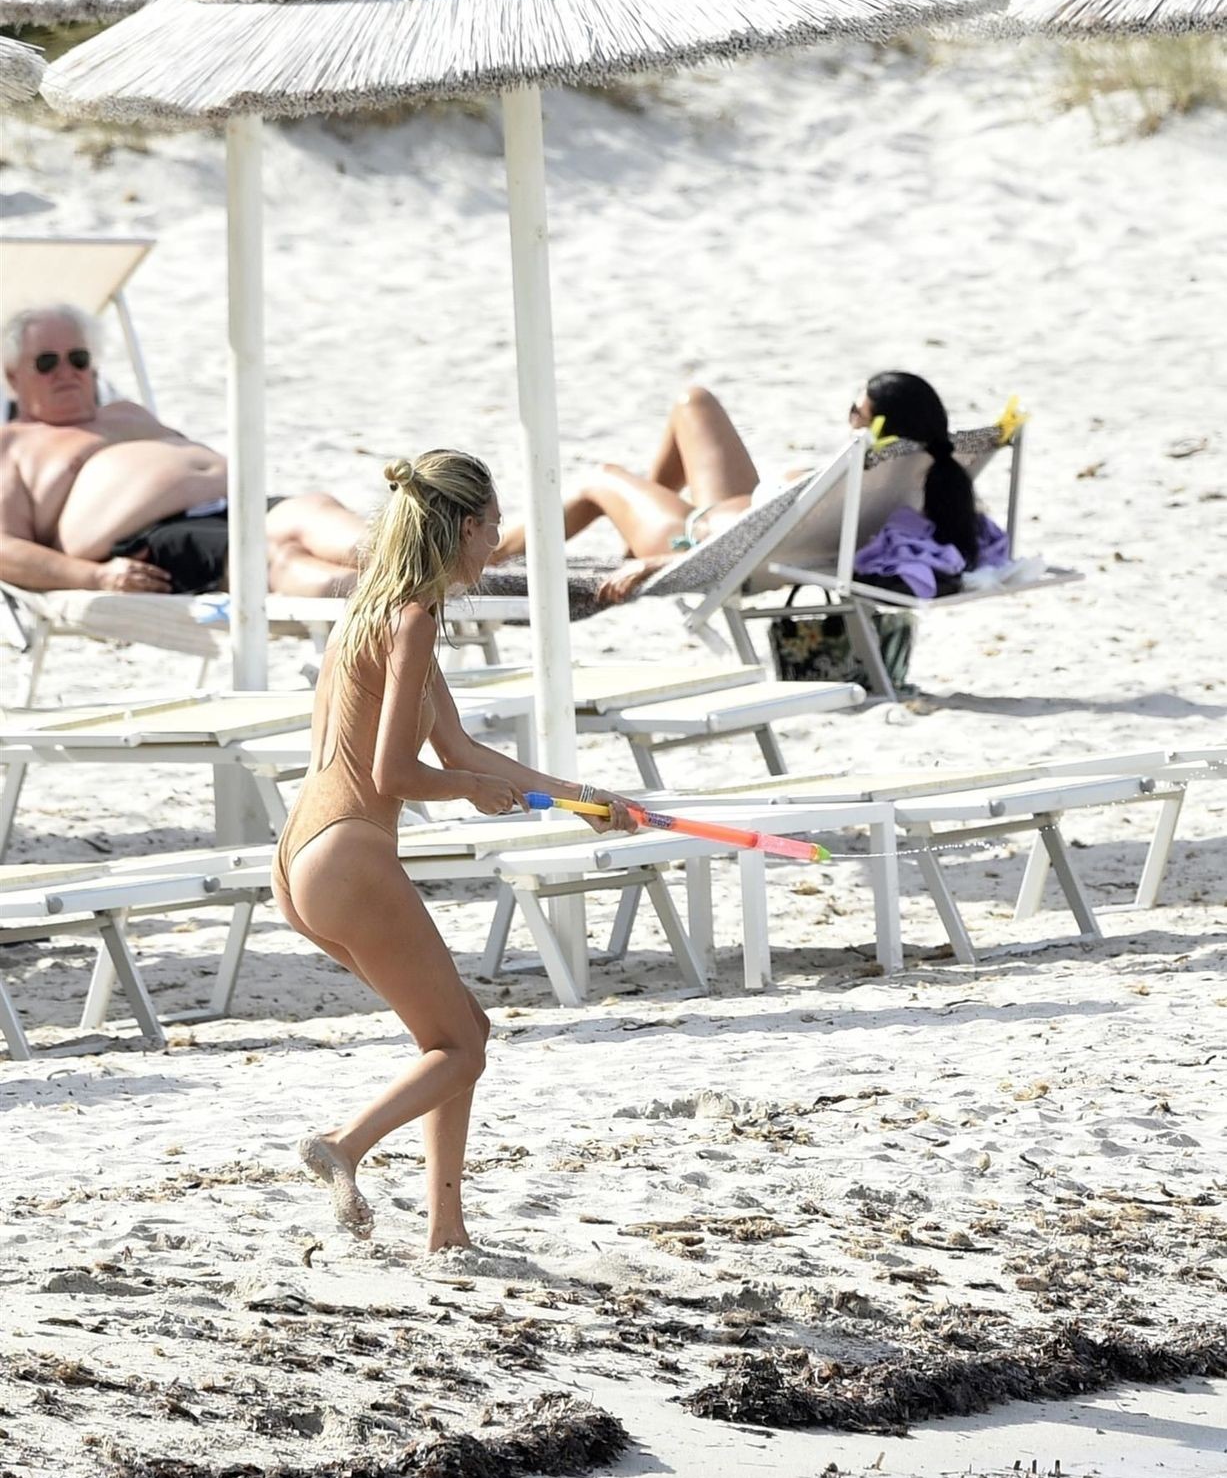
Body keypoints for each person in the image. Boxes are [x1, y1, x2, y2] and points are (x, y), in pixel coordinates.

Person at [273, 448, 634, 1250]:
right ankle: (343, 1145)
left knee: (461, 1032)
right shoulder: (414, 620)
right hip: (348, 854)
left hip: (301, 855)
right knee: (458, 1046)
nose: (497, 544)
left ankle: (448, 1230)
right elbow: (397, 774)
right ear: (465, 527)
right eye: (494, 527)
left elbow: (459, 747)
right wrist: (469, 791)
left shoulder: (376, 610)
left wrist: (581, 800)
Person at [493, 372, 1002, 602]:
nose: (848, 415)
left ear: (877, 426)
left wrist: (655, 563)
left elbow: (741, 553)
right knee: (693, 401)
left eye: (856, 410)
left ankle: (489, 556)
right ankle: (634, 527)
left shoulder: (859, 470)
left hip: (691, 537)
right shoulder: (907, 470)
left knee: (601, 476)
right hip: (735, 512)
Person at [0, 305, 368, 596]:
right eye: (47, 363)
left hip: (233, 501)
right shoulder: (13, 444)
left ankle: (401, 567)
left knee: (315, 509)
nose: (66, 372)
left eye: (78, 359)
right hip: (155, 536)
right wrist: (94, 576)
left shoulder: (127, 413)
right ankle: (383, 599)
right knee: (271, 556)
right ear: (13, 376)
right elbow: (3, 547)